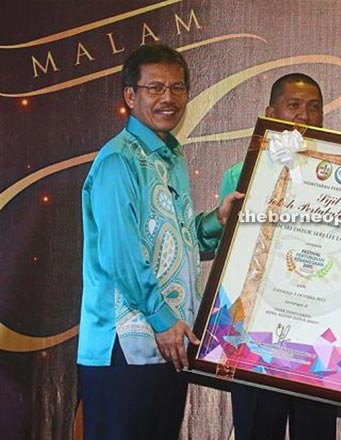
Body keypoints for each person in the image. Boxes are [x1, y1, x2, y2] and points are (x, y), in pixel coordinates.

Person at [77, 44, 240, 440]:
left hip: (167, 344)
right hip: (123, 347)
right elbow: (121, 256)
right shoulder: (119, 160)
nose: (168, 98)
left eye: (178, 87)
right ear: (130, 96)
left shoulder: (169, 157)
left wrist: (217, 221)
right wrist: (164, 321)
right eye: (155, 88)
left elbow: (180, 241)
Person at [218, 73, 337, 440]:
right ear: (271, 112)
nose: (305, 115)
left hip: (315, 338)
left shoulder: (340, 176)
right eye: (294, 105)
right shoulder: (241, 176)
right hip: (257, 337)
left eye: (314, 107)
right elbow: (228, 259)